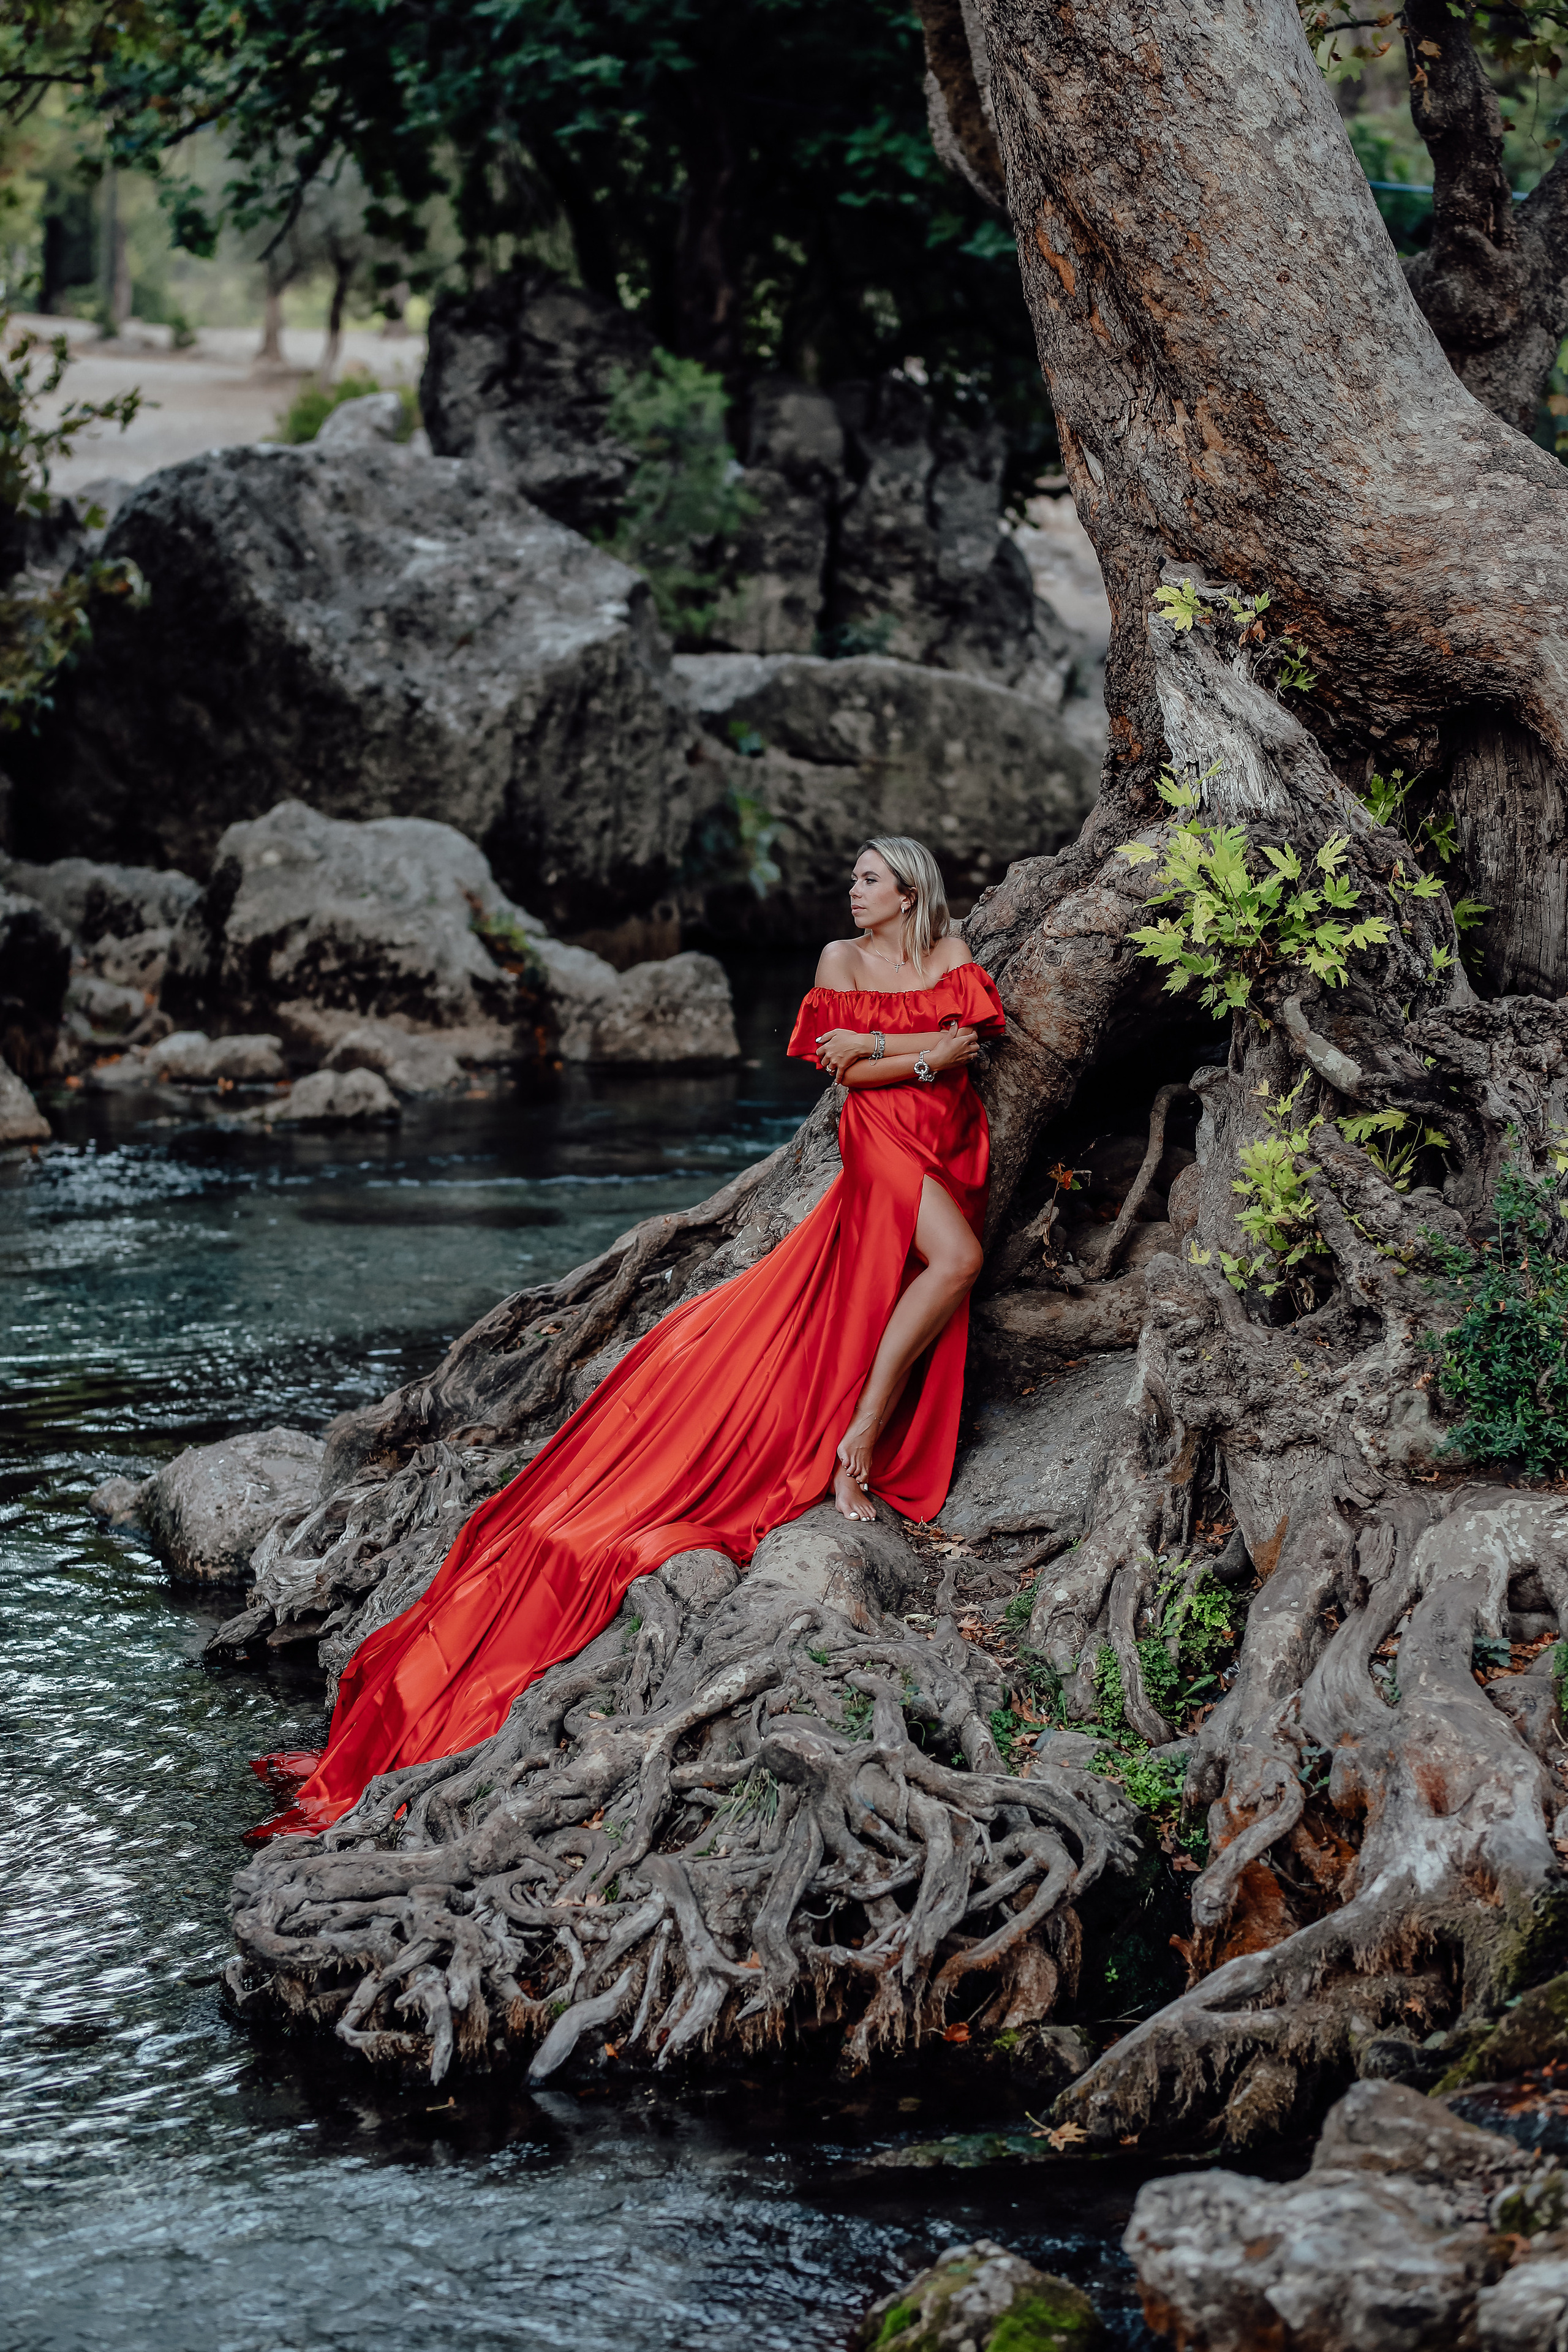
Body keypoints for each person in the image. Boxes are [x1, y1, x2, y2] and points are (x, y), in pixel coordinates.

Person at [254, 836, 1005, 1838]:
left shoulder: (950, 951)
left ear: (908, 890)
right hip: (879, 1147)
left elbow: (966, 1045)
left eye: (867, 879)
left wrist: (907, 1058)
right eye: (853, 880)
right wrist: (920, 1056)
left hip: (942, 1142)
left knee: (931, 1269)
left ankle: (858, 1431)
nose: (851, 891)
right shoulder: (837, 960)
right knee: (952, 1264)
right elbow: (845, 1076)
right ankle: (856, 1441)